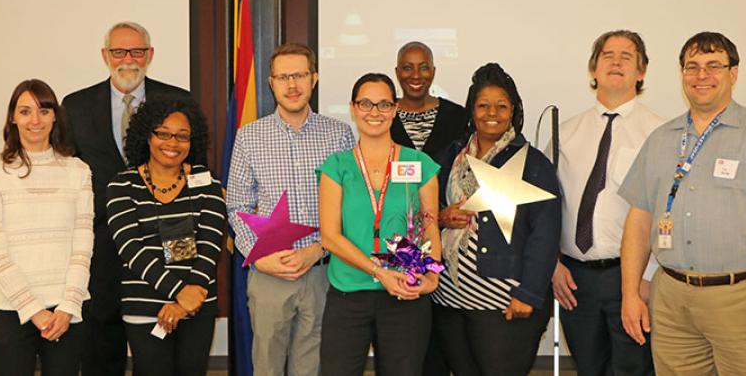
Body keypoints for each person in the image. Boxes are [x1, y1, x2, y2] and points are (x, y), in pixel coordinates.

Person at [619, 32, 746, 375]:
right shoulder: (660, 140)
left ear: (734, 73)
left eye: (714, 66)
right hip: (672, 301)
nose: (702, 76)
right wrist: (629, 294)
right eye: (692, 67)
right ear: (681, 74)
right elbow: (638, 220)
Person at [62, 21, 191, 376]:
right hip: (102, 240)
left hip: (169, 234)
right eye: (119, 51)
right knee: (101, 334)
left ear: (150, 55)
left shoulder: (179, 101)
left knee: (168, 335)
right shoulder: (75, 105)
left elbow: (196, 171)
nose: (128, 59)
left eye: (137, 51)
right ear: (105, 56)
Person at [227, 43, 354, 376]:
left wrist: (317, 250)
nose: (292, 85)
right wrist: (259, 256)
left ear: (314, 78)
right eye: (283, 77)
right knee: (267, 366)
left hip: (323, 272)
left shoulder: (339, 135)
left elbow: (350, 206)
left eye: (299, 75)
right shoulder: (249, 136)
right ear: (271, 83)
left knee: (311, 367)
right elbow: (237, 206)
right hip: (269, 273)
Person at [430, 63, 562, 376]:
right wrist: (440, 216)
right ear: (471, 110)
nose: (492, 112)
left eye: (501, 105)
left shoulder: (532, 163)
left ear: (513, 110)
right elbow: (421, 208)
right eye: (483, 105)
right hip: (449, 295)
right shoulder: (450, 155)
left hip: (504, 299)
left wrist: (527, 293)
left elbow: (545, 233)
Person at [551, 30, 661, 375]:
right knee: (589, 369)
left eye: (627, 56)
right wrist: (552, 264)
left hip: (632, 277)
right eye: (607, 55)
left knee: (635, 369)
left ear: (641, 72)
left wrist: (649, 277)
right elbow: (546, 206)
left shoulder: (661, 133)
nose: (616, 62)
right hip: (574, 280)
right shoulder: (564, 133)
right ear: (593, 70)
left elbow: (668, 210)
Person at [318, 73, 442, 376]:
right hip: (349, 295)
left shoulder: (418, 164)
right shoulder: (337, 166)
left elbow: (430, 225)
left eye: (384, 104)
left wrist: (432, 273)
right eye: (366, 103)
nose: (375, 112)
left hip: (405, 293)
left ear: (395, 108)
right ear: (353, 107)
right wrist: (378, 272)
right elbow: (330, 237)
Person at [0, 79, 93, 376]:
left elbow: (83, 247)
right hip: (9, 310)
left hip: (66, 312)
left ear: (55, 115)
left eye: (43, 110)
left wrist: (68, 306)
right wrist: (34, 310)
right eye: (25, 111)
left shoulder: (78, 171)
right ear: (13, 118)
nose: (35, 120)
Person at [106, 97, 226, 376]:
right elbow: (131, 249)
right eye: (163, 133)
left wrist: (188, 298)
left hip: (197, 303)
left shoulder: (206, 182)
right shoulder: (123, 185)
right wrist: (178, 293)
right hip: (145, 303)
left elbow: (210, 243)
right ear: (147, 136)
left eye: (182, 136)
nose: (173, 143)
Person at [390, 41, 468, 161]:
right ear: (397, 72)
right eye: (407, 68)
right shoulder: (384, 115)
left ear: (433, 71)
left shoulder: (457, 116)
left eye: (424, 68)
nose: (416, 75)